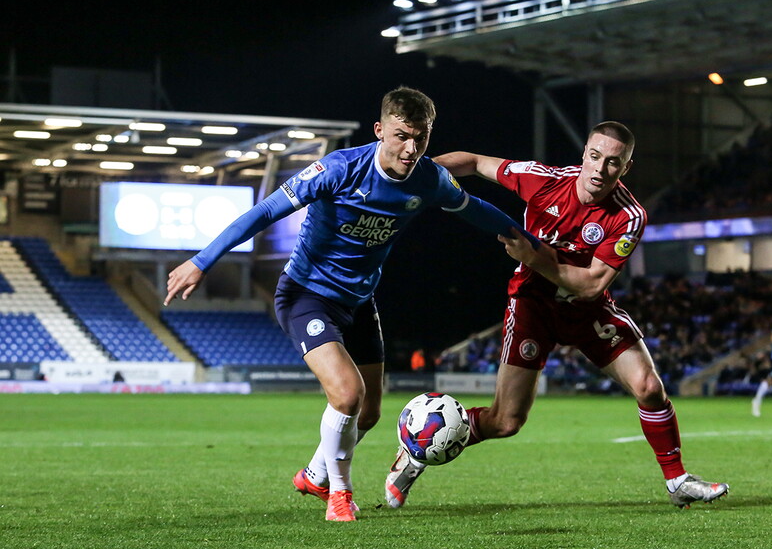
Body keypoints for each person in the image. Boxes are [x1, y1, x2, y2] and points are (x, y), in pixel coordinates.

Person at [164, 86, 534, 522]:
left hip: (359, 300)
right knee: (347, 394)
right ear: (380, 130)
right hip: (307, 295)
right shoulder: (339, 169)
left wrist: (524, 239)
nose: (410, 148)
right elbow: (264, 212)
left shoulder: (429, 178)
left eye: (421, 137)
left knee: (371, 412)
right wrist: (202, 260)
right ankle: (339, 495)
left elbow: (474, 208)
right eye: (401, 135)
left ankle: (316, 474)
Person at [385, 121, 729, 510]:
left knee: (650, 388)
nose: (600, 169)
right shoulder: (544, 180)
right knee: (506, 422)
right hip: (532, 305)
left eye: (613, 163)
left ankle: (677, 480)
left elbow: (590, 285)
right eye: (595, 157)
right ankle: (415, 454)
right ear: (584, 153)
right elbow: (476, 162)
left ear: (625, 168)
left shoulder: (629, 216)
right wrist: (421, 173)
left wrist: (534, 258)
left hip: (587, 310)